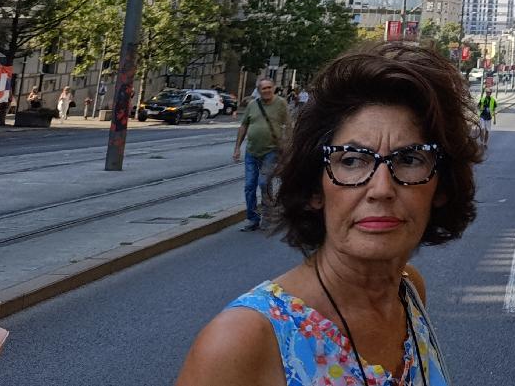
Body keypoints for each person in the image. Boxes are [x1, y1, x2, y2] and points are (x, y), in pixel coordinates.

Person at [176, 40, 481, 386]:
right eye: (351, 161)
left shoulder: (408, 290)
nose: (381, 188)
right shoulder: (242, 342)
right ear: (315, 189)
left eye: (409, 159)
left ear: (441, 187)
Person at [232, 79, 290, 232]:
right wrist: (237, 148)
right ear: (259, 90)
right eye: (263, 88)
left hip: (271, 151)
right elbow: (243, 125)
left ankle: (268, 216)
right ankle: (253, 219)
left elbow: (288, 125)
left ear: (274, 88)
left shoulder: (281, 103)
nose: (267, 90)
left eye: (269, 87)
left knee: (264, 183)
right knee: (249, 186)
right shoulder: (252, 105)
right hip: (252, 151)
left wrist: (287, 144)